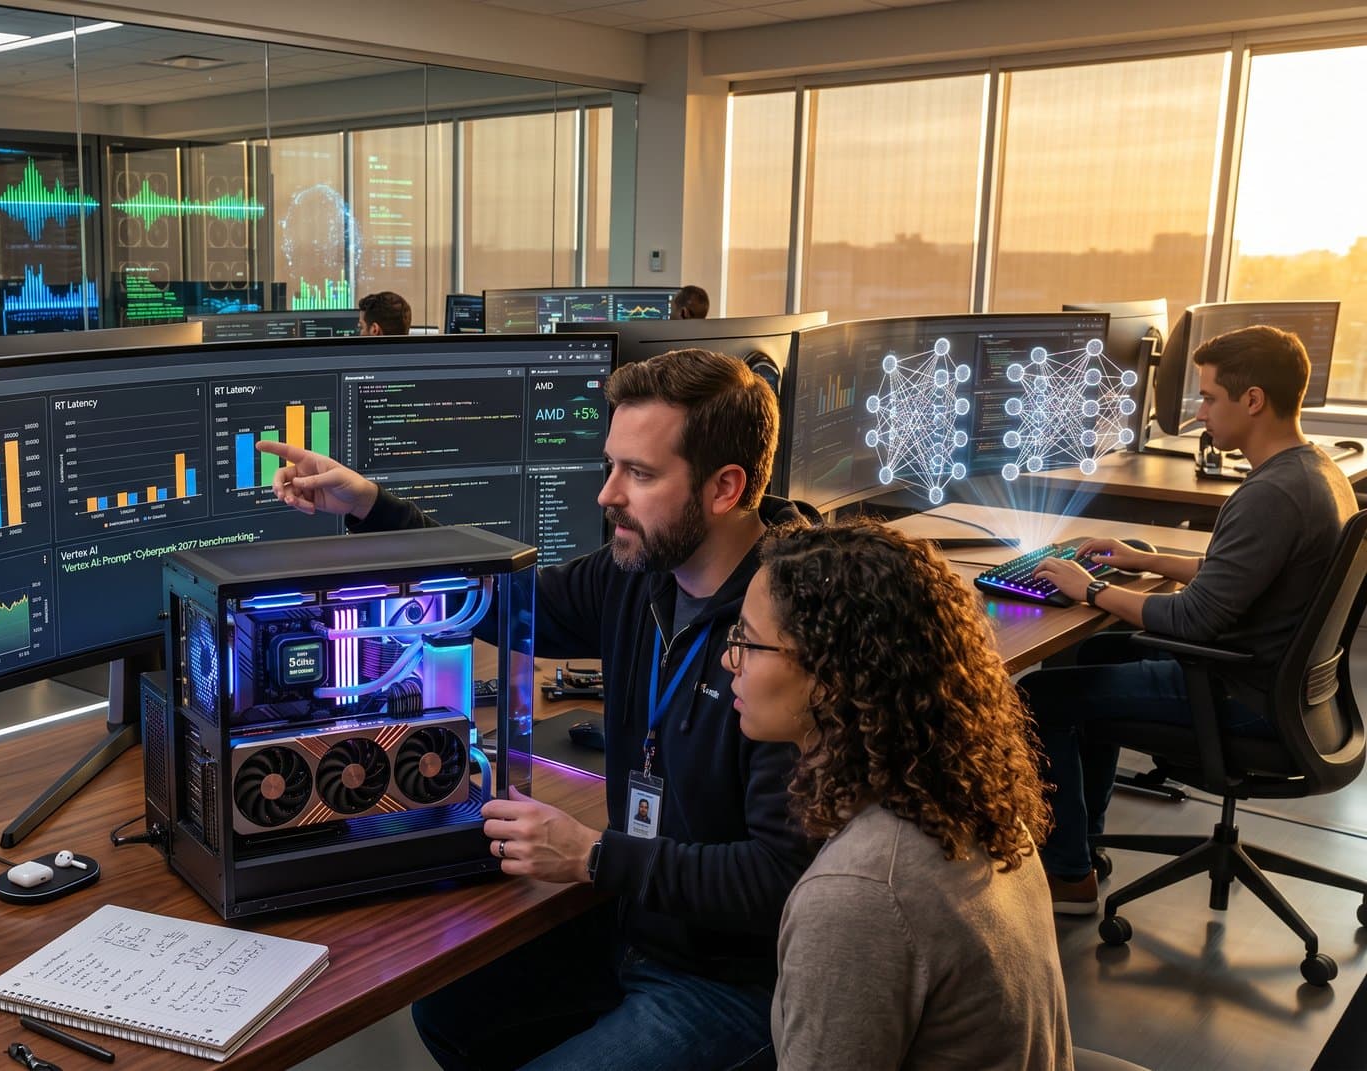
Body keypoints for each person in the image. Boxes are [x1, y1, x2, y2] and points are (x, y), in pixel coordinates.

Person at [256, 348, 820, 1070]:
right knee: (450, 1009)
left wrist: (590, 855)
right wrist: (371, 506)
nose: (606, 494)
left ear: (724, 487)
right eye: (610, 465)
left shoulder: (789, 632)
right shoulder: (642, 572)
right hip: (637, 921)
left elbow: (783, 879)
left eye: (639, 474)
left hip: (731, 978)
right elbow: (504, 602)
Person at [1028, 324, 1357, 913]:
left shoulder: (1269, 495)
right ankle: (1087, 840)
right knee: (1096, 655)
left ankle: (1068, 873)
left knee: (1035, 697)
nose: (1200, 412)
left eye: (1209, 397)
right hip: (1289, 691)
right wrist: (1142, 559)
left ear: (1252, 400)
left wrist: (1092, 589)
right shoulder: (1316, 473)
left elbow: (1195, 620)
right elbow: (1241, 572)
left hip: (1240, 695)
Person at [733, 519, 1072, 1070]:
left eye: (747, 641)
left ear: (830, 677)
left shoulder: (857, 894)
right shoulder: (971, 802)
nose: (731, 661)